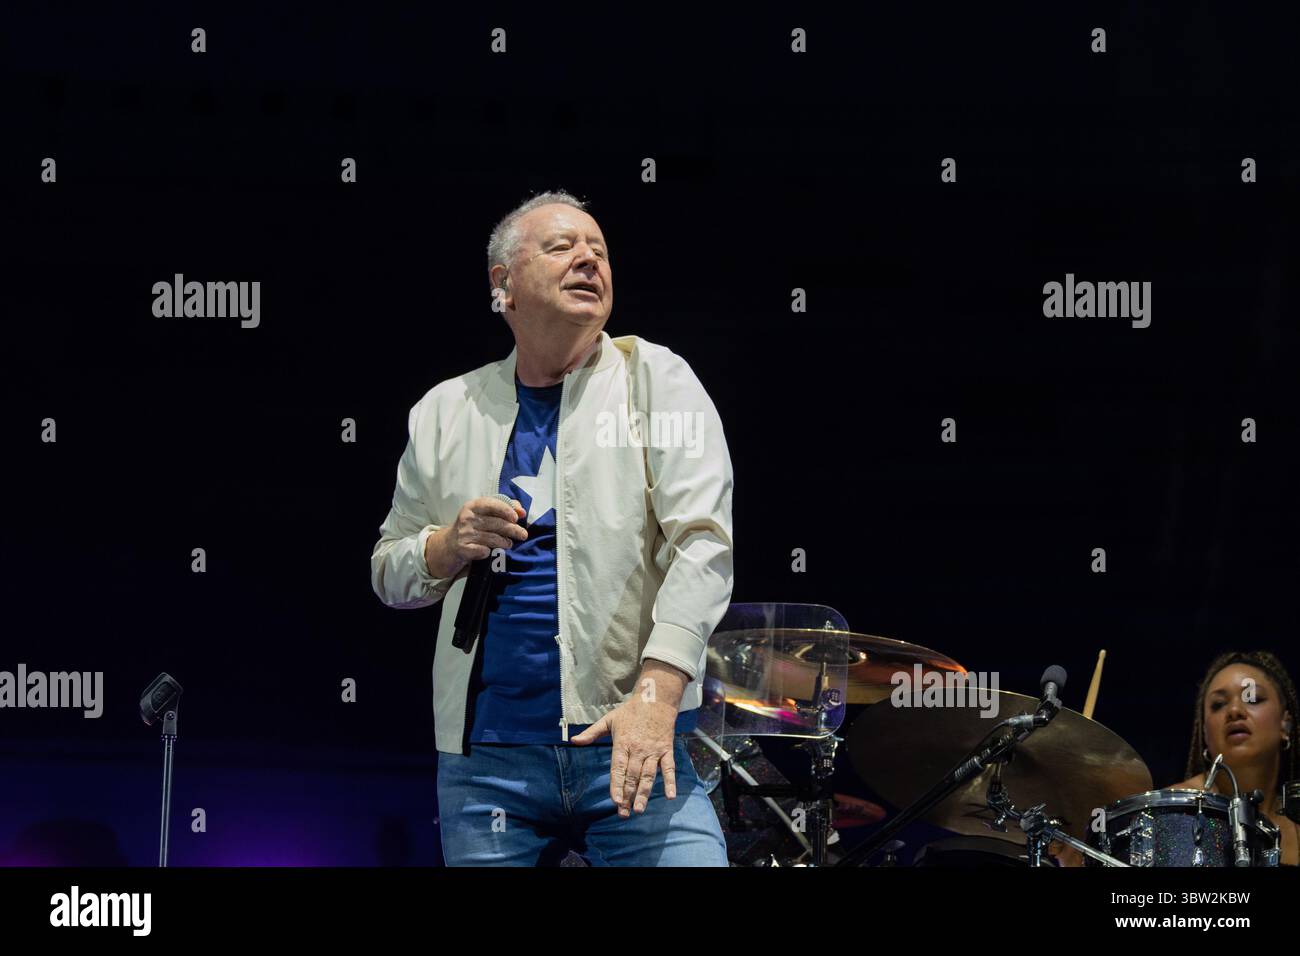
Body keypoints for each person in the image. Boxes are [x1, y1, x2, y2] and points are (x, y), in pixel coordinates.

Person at [370, 190, 733, 866]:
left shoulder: (658, 381)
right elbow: (388, 571)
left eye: (600, 251)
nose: (589, 260)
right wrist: (445, 547)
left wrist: (656, 697)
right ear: (502, 284)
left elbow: (703, 548)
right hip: (487, 765)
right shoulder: (446, 410)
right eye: (563, 246)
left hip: (635, 743)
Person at [1167, 650, 1299, 865]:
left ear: (1286, 724)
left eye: (1252, 698)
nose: (1235, 710)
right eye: (1219, 705)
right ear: (1204, 735)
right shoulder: (1170, 810)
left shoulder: (1296, 822)